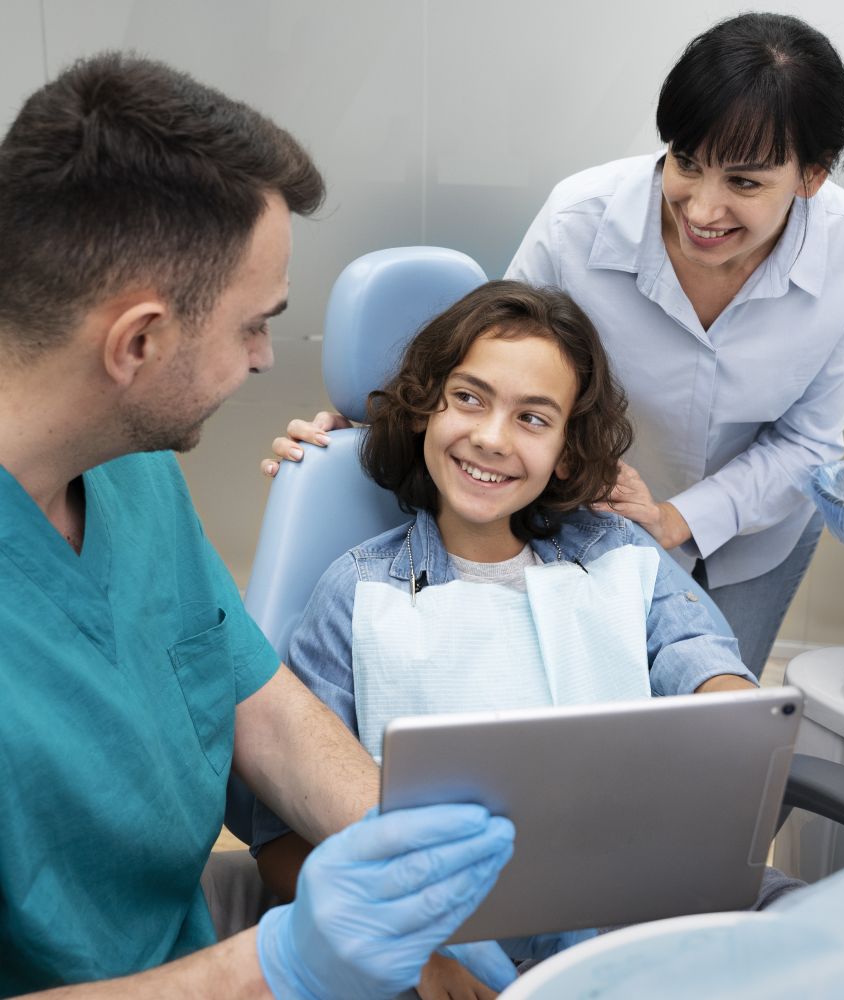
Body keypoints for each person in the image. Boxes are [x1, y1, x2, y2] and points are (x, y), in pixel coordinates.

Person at [0, 53, 517, 1000]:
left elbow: (257, 701)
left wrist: (418, 868)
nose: (267, 357)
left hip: (189, 943)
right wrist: (280, 969)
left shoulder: (132, 469)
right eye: (252, 325)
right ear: (138, 342)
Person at [267, 12, 844, 678]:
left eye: (744, 182)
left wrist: (676, 518)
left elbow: (809, 441)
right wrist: (366, 425)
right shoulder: (579, 221)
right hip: (581, 527)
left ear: (811, 178)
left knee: (703, 701)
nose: (703, 210)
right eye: (686, 162)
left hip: (754, 536)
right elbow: (491, 365)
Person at [251, 281, 760, 921]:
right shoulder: (359, 593)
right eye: (468, 399)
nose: (493, 438)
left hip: (635, 909)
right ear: (421, 409)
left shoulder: (620, 555)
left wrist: (735, 740)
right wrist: (418, 938)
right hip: (447, 931)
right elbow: (282, 845)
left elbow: (706, 672)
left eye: (533, 418)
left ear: (567, 452)